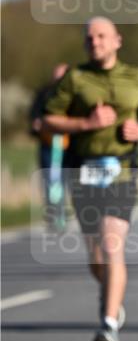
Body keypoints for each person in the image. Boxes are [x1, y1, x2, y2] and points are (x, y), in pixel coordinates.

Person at [44, 17, 138, 341]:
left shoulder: (135, 76)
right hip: (83, 172)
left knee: (112, 245)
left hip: (122, 172)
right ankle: (111, 295)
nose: (94, 41)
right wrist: (85, 123)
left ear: (117, 41)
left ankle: (108, 325)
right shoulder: (75, 78)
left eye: (101, 36)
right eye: (89, 37)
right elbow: (49, 118)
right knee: (95, 258)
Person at [30, 63, 69, 231]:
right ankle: (54, 216)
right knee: (50, 181)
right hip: (48, 145)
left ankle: (64, 213)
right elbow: (34, 115)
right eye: (56, 74)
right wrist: (36, 124)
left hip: (68, 146)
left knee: (66, 181)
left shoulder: (74, 94)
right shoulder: (44, 93)